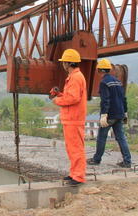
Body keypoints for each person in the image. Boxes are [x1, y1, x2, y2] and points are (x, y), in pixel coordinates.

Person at [49, 48, 87, 186]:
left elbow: (73, 98)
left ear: (68, 63)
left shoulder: (76, 78)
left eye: (63, 62)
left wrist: (56, 101)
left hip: (73, 118)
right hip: (71, 118)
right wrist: (59, 95)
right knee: (72, 148)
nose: (62, 64)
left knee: (76, 148)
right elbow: (71, 96)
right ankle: (74, 174)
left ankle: (78, 176)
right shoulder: (74, 77)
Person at [87, 58, 132, 168]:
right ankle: (127, 161)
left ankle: (96, 159)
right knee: (121, 137)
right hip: (120, 114)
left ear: (100, 70)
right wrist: (125, 112)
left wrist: (104, 115)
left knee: (102, 137)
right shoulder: (117, 81)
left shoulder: (104, 82)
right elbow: (123, 98)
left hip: (110, 115)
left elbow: (105, 100)